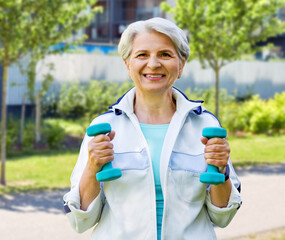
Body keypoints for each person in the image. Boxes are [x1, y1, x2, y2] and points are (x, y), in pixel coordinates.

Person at [63, 17, 242, 240]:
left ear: (181, 65)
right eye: (142, 55)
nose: (154, 64)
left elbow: (222, 217)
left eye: (165, 54)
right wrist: (92, 167)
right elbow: (81, 221)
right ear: (128, 65)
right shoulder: (102, 129)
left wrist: (222, 170)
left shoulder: (206, 127)